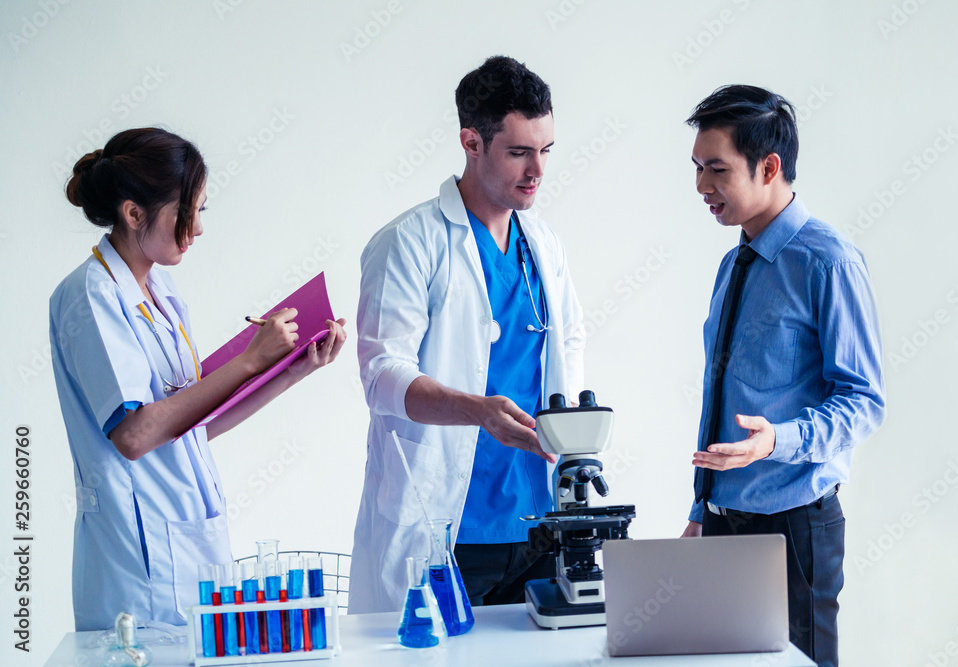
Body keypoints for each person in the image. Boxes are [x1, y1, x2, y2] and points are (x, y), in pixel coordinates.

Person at [49, 128, 348, 631]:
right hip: (137, 569)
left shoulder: (161, 290)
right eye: (188, 211)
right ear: (133, 213)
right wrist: (249, 361)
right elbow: (135, 434)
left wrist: (290, 369)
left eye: (201, 210)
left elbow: (193, 424)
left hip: (189, 546)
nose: (198, 228)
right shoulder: (91, 295)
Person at [349, 55, 585, 614]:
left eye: (545, 150)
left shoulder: (544, 244)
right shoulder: (409, 242)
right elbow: (382, 375)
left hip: (539, 521)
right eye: (519, 152)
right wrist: (476, 410)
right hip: (446, 526)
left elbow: (568, 344)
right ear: (471, 143)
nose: (538, 170)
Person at [681, 85, 886, 666]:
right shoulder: (733, 262)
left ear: (768, 167)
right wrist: (702, 511)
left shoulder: (829, 261)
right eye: (697, 168)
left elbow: (864, 399)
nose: (701, 187)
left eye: (716, 169)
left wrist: (778, 440)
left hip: (795, 530)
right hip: (724, 524)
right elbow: (719, 397)